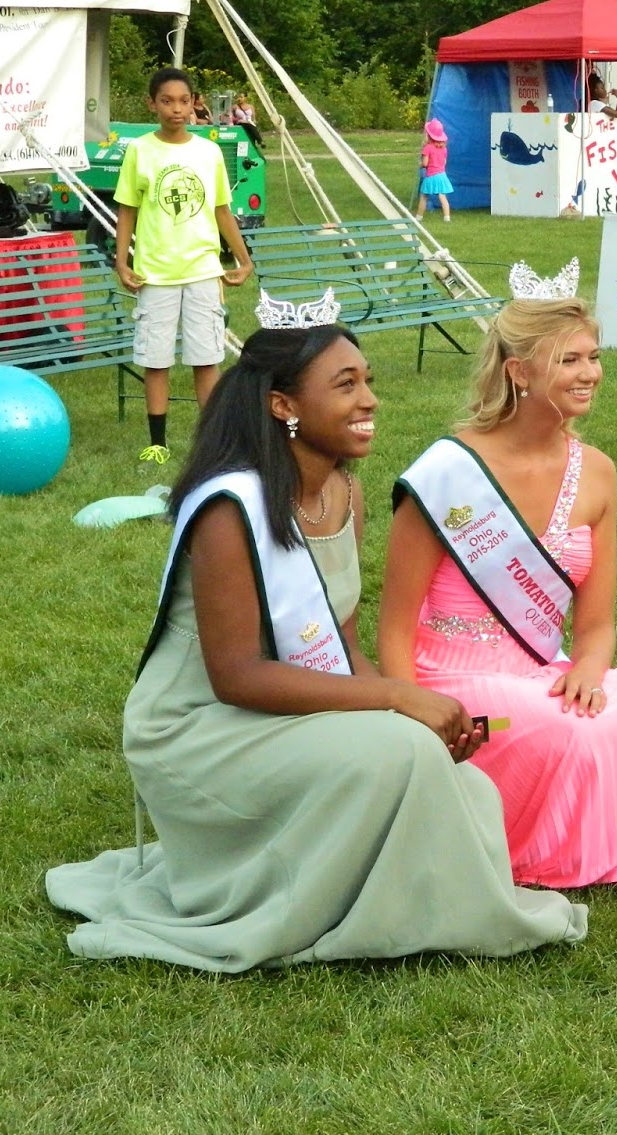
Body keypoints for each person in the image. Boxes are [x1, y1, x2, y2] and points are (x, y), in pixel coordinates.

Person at [45, 322, 587, 970]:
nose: (369, 400)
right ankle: (357, 915)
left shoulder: (346, 495)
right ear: (284, 406)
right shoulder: (231, 507)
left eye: (368, 383)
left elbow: (339, 647)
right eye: (345, 385)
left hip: (273, 708)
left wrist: (402, 706)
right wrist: (393, 698)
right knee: (401, 751)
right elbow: (236, 676)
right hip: (198, 727)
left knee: (460, 779)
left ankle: (405, 913)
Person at [379, 298, 617, 888]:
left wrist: (590, 670)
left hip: (539, 665)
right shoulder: (448, 471)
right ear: (518, 372)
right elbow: (394, 627)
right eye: (569, 359)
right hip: (449, 673)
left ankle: (612, 846)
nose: (590, 373)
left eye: (594, 357)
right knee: (566, 735)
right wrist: (413, 718)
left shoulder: (598, 471)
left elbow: (597, 624)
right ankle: (546, 857)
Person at [115, 68, 254, 464]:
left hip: (202, 271)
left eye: (183, 101)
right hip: (154, 273)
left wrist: (244, 259)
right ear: (152, 104)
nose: (175, 109)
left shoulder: (208, 151)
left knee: (205, 358)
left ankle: (210, 443)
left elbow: (222, 210)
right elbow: (127, 209)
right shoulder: (140, 151)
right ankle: (157, 442)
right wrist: (121, 260)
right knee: (155, 359)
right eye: (166, 101)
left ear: (195, 103)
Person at [416, 117, 453, 222]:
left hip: (431, 176)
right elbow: (444, 162)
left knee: (424, 197)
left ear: (428, 135)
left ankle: (418, 217)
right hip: (442, 175)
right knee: (443, 197)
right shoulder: (444, 149)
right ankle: (447, 217)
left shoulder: (427, 148)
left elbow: (425, 163)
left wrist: (420, 164)